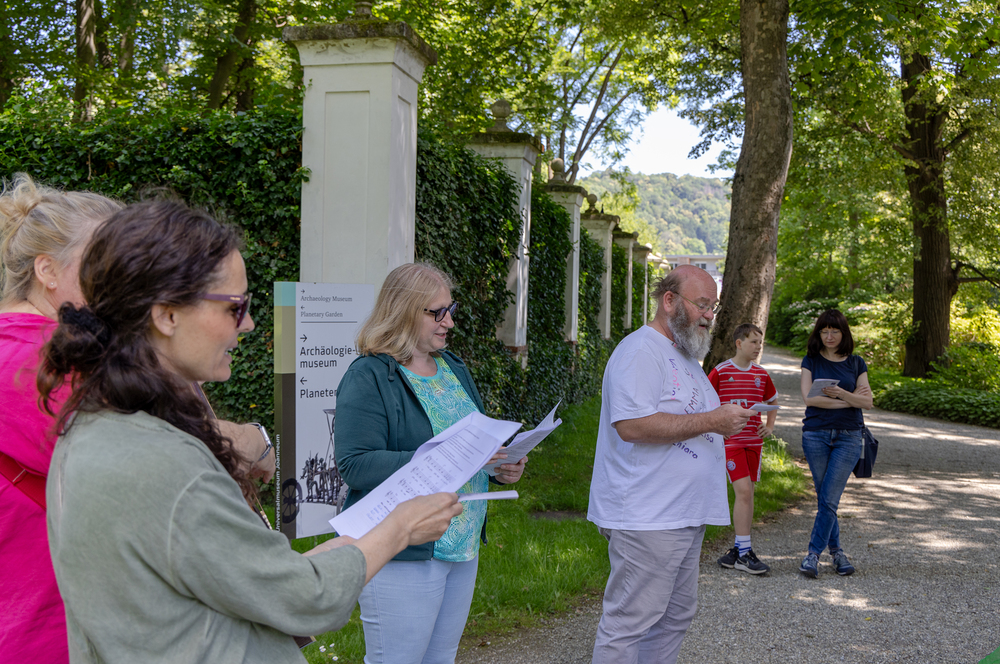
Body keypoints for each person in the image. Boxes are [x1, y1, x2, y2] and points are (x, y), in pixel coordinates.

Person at [38, 200, 463, 663]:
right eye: (234, 307)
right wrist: (398, 528)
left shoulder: (95, 427)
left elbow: (220, 584)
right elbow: (305, 599)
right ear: (166, 315)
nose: (249, 324)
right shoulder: (167, 466)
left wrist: (332, 554)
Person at [335, 262, 527, 664]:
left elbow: (471, 446)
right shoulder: (369, 375)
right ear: (404, 311)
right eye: (438, 312)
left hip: (461, 543)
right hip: (403, 548)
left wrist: (499, 465)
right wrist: (441, 457)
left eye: (450, 310)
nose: (449, 322)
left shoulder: (452, 367)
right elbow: (355, 464)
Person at [588, 265, 754, 664]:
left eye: (713, 307)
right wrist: (713, 421)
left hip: (681, 513)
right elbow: (632, 425)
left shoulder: (683, 355)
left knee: (675, 616)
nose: (709, 316)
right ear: (669, 301)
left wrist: (723, 422)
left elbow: (688, 419)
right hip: (648, 516)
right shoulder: (640, 351)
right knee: (629, 621)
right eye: (702, 305)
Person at [0, 174, 121, 663]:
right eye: (106, 263)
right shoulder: (43, 359)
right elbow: (159, 457)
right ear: (47, 270)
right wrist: (250, 440)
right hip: (47, 636)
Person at [797, 309, 872, 578]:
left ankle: (813, 555)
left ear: (844, 333)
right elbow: (809, 399)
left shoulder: (856, 363)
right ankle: (838, 552)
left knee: (829, 498)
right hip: (815, 434)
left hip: (849, 436)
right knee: (826, 497)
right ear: (819, 333)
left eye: (835, 331)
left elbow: (867, 402)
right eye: (824, 331)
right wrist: (850, 399)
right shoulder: (811, 361)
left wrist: (839, 393)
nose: (829, 336)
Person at [709, 323, 778, 575]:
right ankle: (744, 554)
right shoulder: (721, 371)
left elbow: (773, 400)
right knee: (744, 492)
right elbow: (706, 402)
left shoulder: (761, 374)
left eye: (760, 343)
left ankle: (739, 550)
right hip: (731, 443)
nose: (758, 347)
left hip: (754, 443)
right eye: (753, 342)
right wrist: (717, 427)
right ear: (739, 343)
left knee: (748, 495)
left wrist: (769, 426)